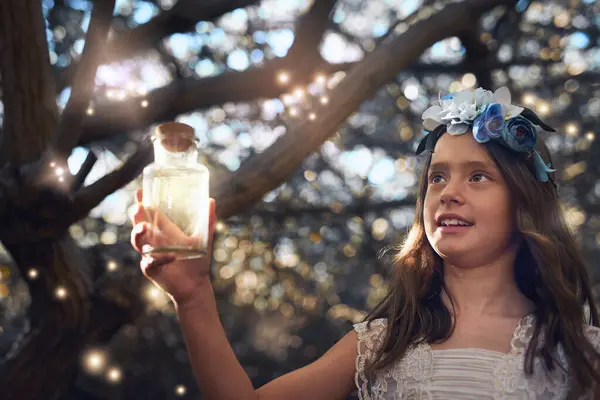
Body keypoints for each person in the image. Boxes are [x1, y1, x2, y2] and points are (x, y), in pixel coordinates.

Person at [130, 86, 600, 399]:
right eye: (436, 177)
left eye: (478, 176)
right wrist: (192, 296)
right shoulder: (385, 342)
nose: (449, 192)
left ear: (522, 202)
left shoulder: (576, 346)